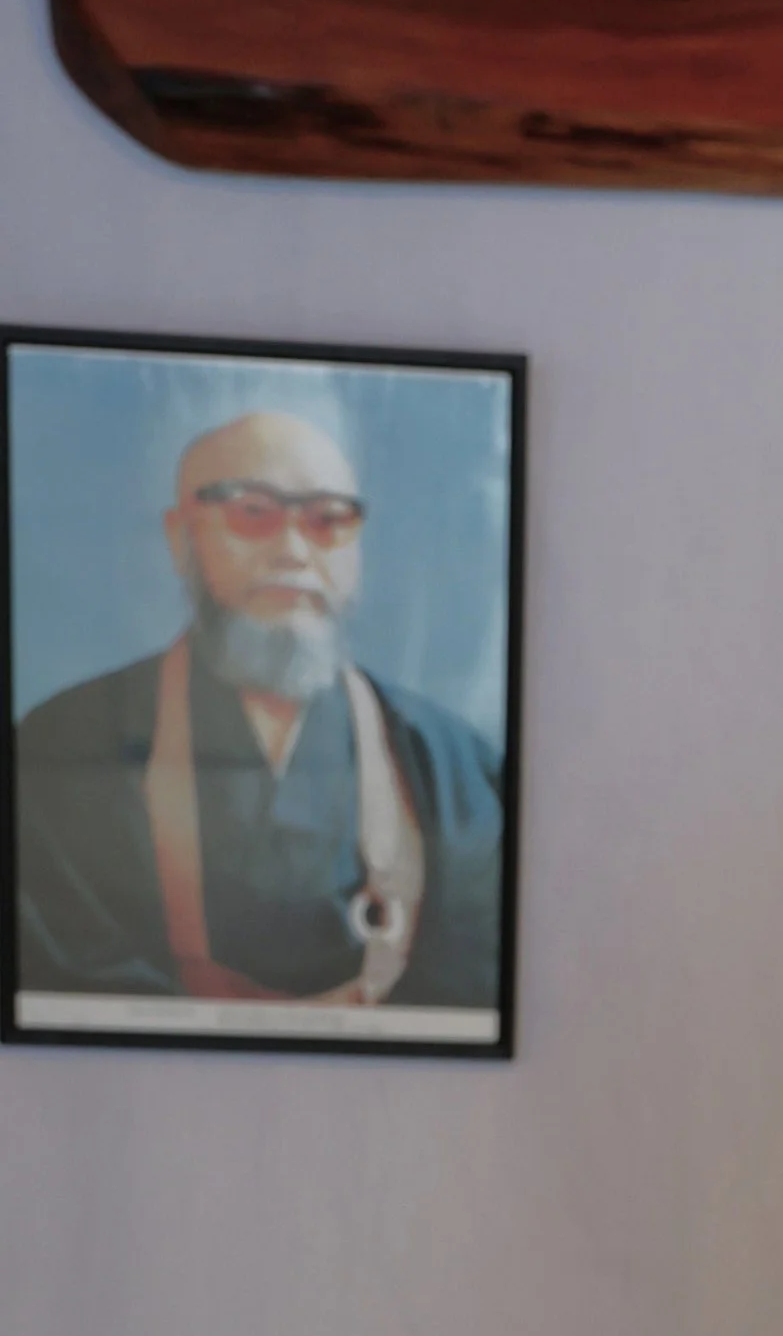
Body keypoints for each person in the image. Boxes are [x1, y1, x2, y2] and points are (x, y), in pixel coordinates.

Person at [13, 409, 504, 1009]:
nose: (293, 550)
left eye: (328, 520)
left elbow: (472, 989)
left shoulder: (453, 766)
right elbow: (62, 989)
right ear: (181, 537)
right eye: (252, 512)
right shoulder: (61, 747)